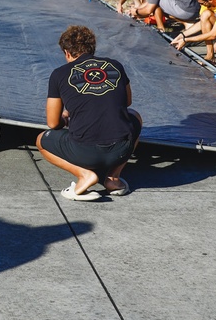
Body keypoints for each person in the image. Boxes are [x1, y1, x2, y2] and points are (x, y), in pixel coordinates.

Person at [36, 25, 143, 200]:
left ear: (67, 53)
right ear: (92, 48)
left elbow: (53, 123)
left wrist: (66, 117)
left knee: (41, 140)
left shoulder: (59, 74)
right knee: (135, 116)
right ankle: (113, 179)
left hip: (83, 152)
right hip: (120, 150)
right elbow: (127, 102)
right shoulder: (115, 65)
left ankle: (85, 175)